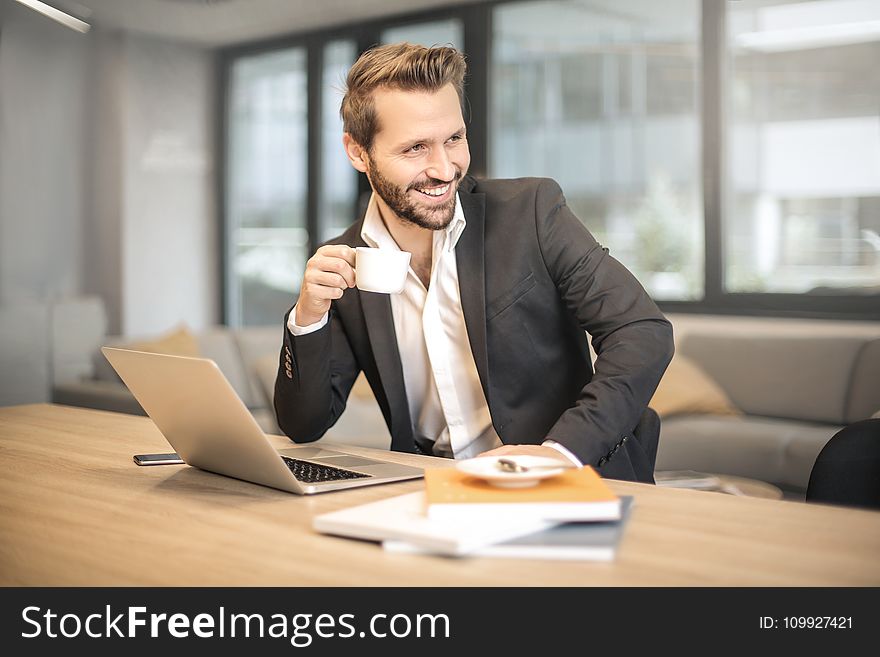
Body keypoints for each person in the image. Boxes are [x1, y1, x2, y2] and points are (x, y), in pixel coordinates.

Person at [274, 42, 674, 483]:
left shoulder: (532, 212)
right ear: (358, 153)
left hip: (562, 480)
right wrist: (308, 317)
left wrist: (561, 452)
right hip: (431, 486)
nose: (445, 168)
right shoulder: (347, 262)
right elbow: (304, 425)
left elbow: (641, 331)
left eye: (454, 139)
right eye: (415, 149)